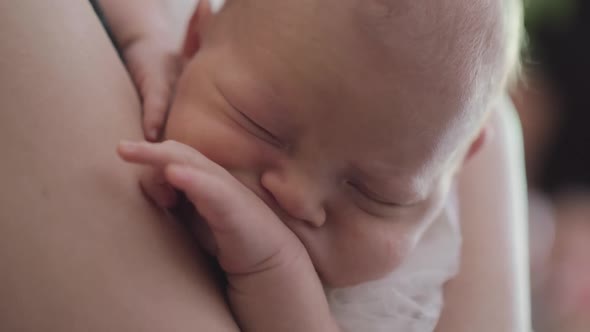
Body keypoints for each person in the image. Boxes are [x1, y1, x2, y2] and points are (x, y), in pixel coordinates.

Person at [0, 0, 530, 331]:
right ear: (193, 42)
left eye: (375, 193)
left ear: (454, 175)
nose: (296, 198)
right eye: (259, 125)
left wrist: (277, 276)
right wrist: (140, 32)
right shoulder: (165, 55)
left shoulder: (406, 293)